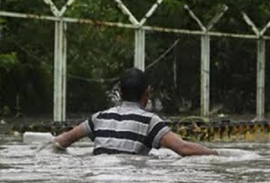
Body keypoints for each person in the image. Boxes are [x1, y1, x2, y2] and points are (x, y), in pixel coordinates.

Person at [53, 67, 217, 157]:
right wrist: (216, 153)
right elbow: (183, 148)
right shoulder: (149, 122)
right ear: (147, 94)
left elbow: (61, 142)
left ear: (120, 93)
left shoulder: (99, 118)